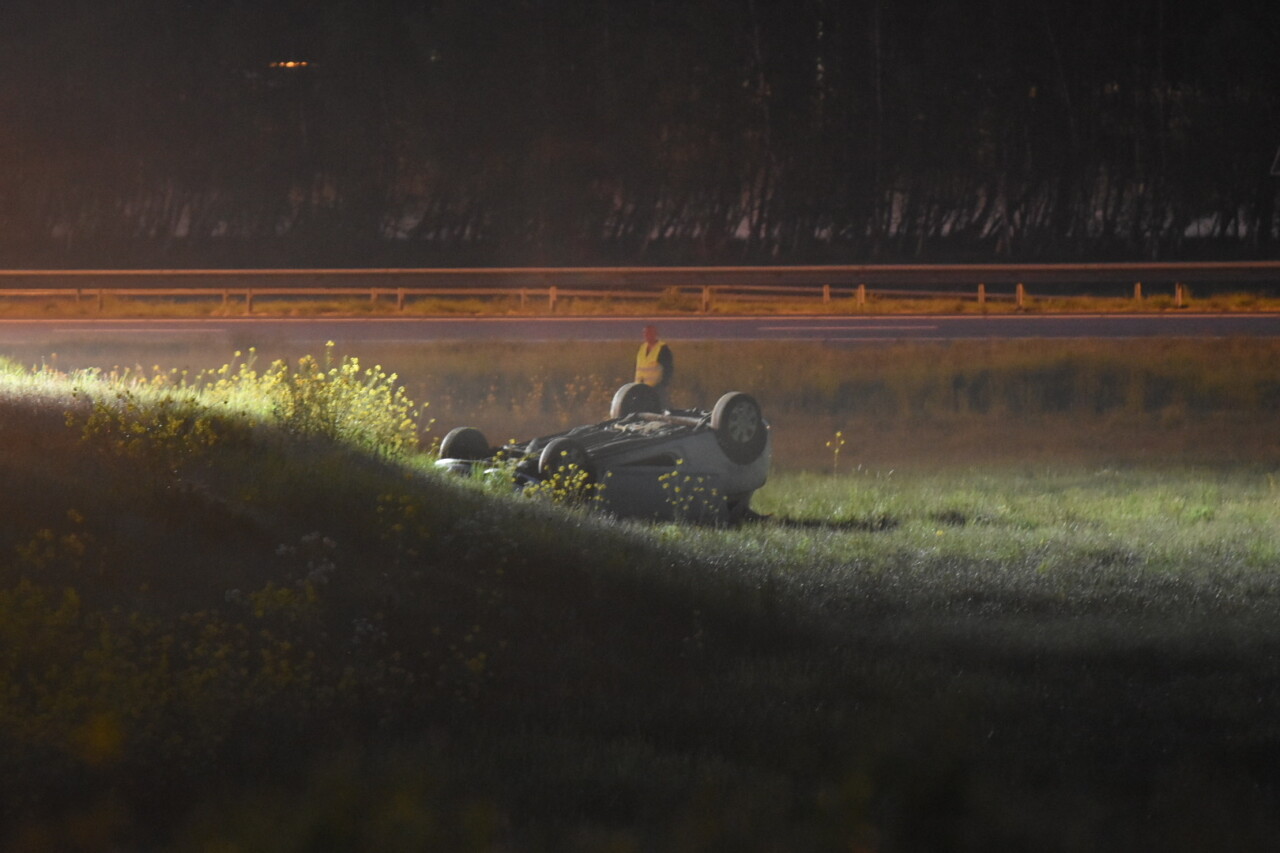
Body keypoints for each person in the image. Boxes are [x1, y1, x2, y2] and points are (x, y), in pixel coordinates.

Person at [634, 324, 674, 407]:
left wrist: (663, 385)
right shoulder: (642, 348)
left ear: (655, 334)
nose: (647, 335)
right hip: (640, 388)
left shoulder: (662, 349)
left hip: (656, 389)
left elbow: (668, 369)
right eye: (645, 333)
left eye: (650, 333)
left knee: (659, 409)